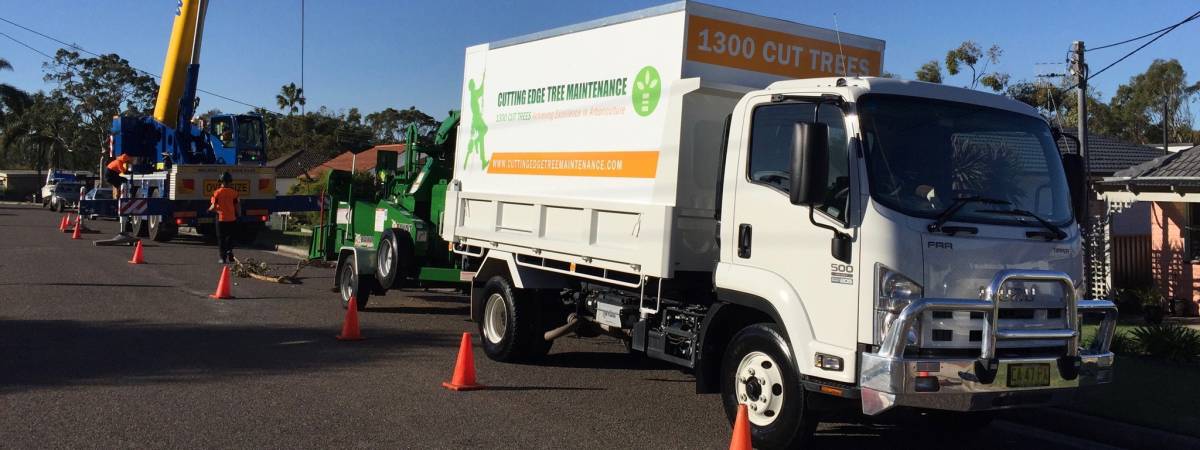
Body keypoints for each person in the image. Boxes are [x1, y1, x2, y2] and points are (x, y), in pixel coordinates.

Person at [208, 172, 240, 263]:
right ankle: (230, 253)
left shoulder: (216, 193)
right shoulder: (234, 193)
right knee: (230, 237)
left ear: (221, 182)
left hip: (221, 219)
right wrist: (239, 214)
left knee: (221, 238)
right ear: (230, 182)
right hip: (231, 219)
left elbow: (213, 206)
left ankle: (222, 258)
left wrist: (208, 210)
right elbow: (237, 206)